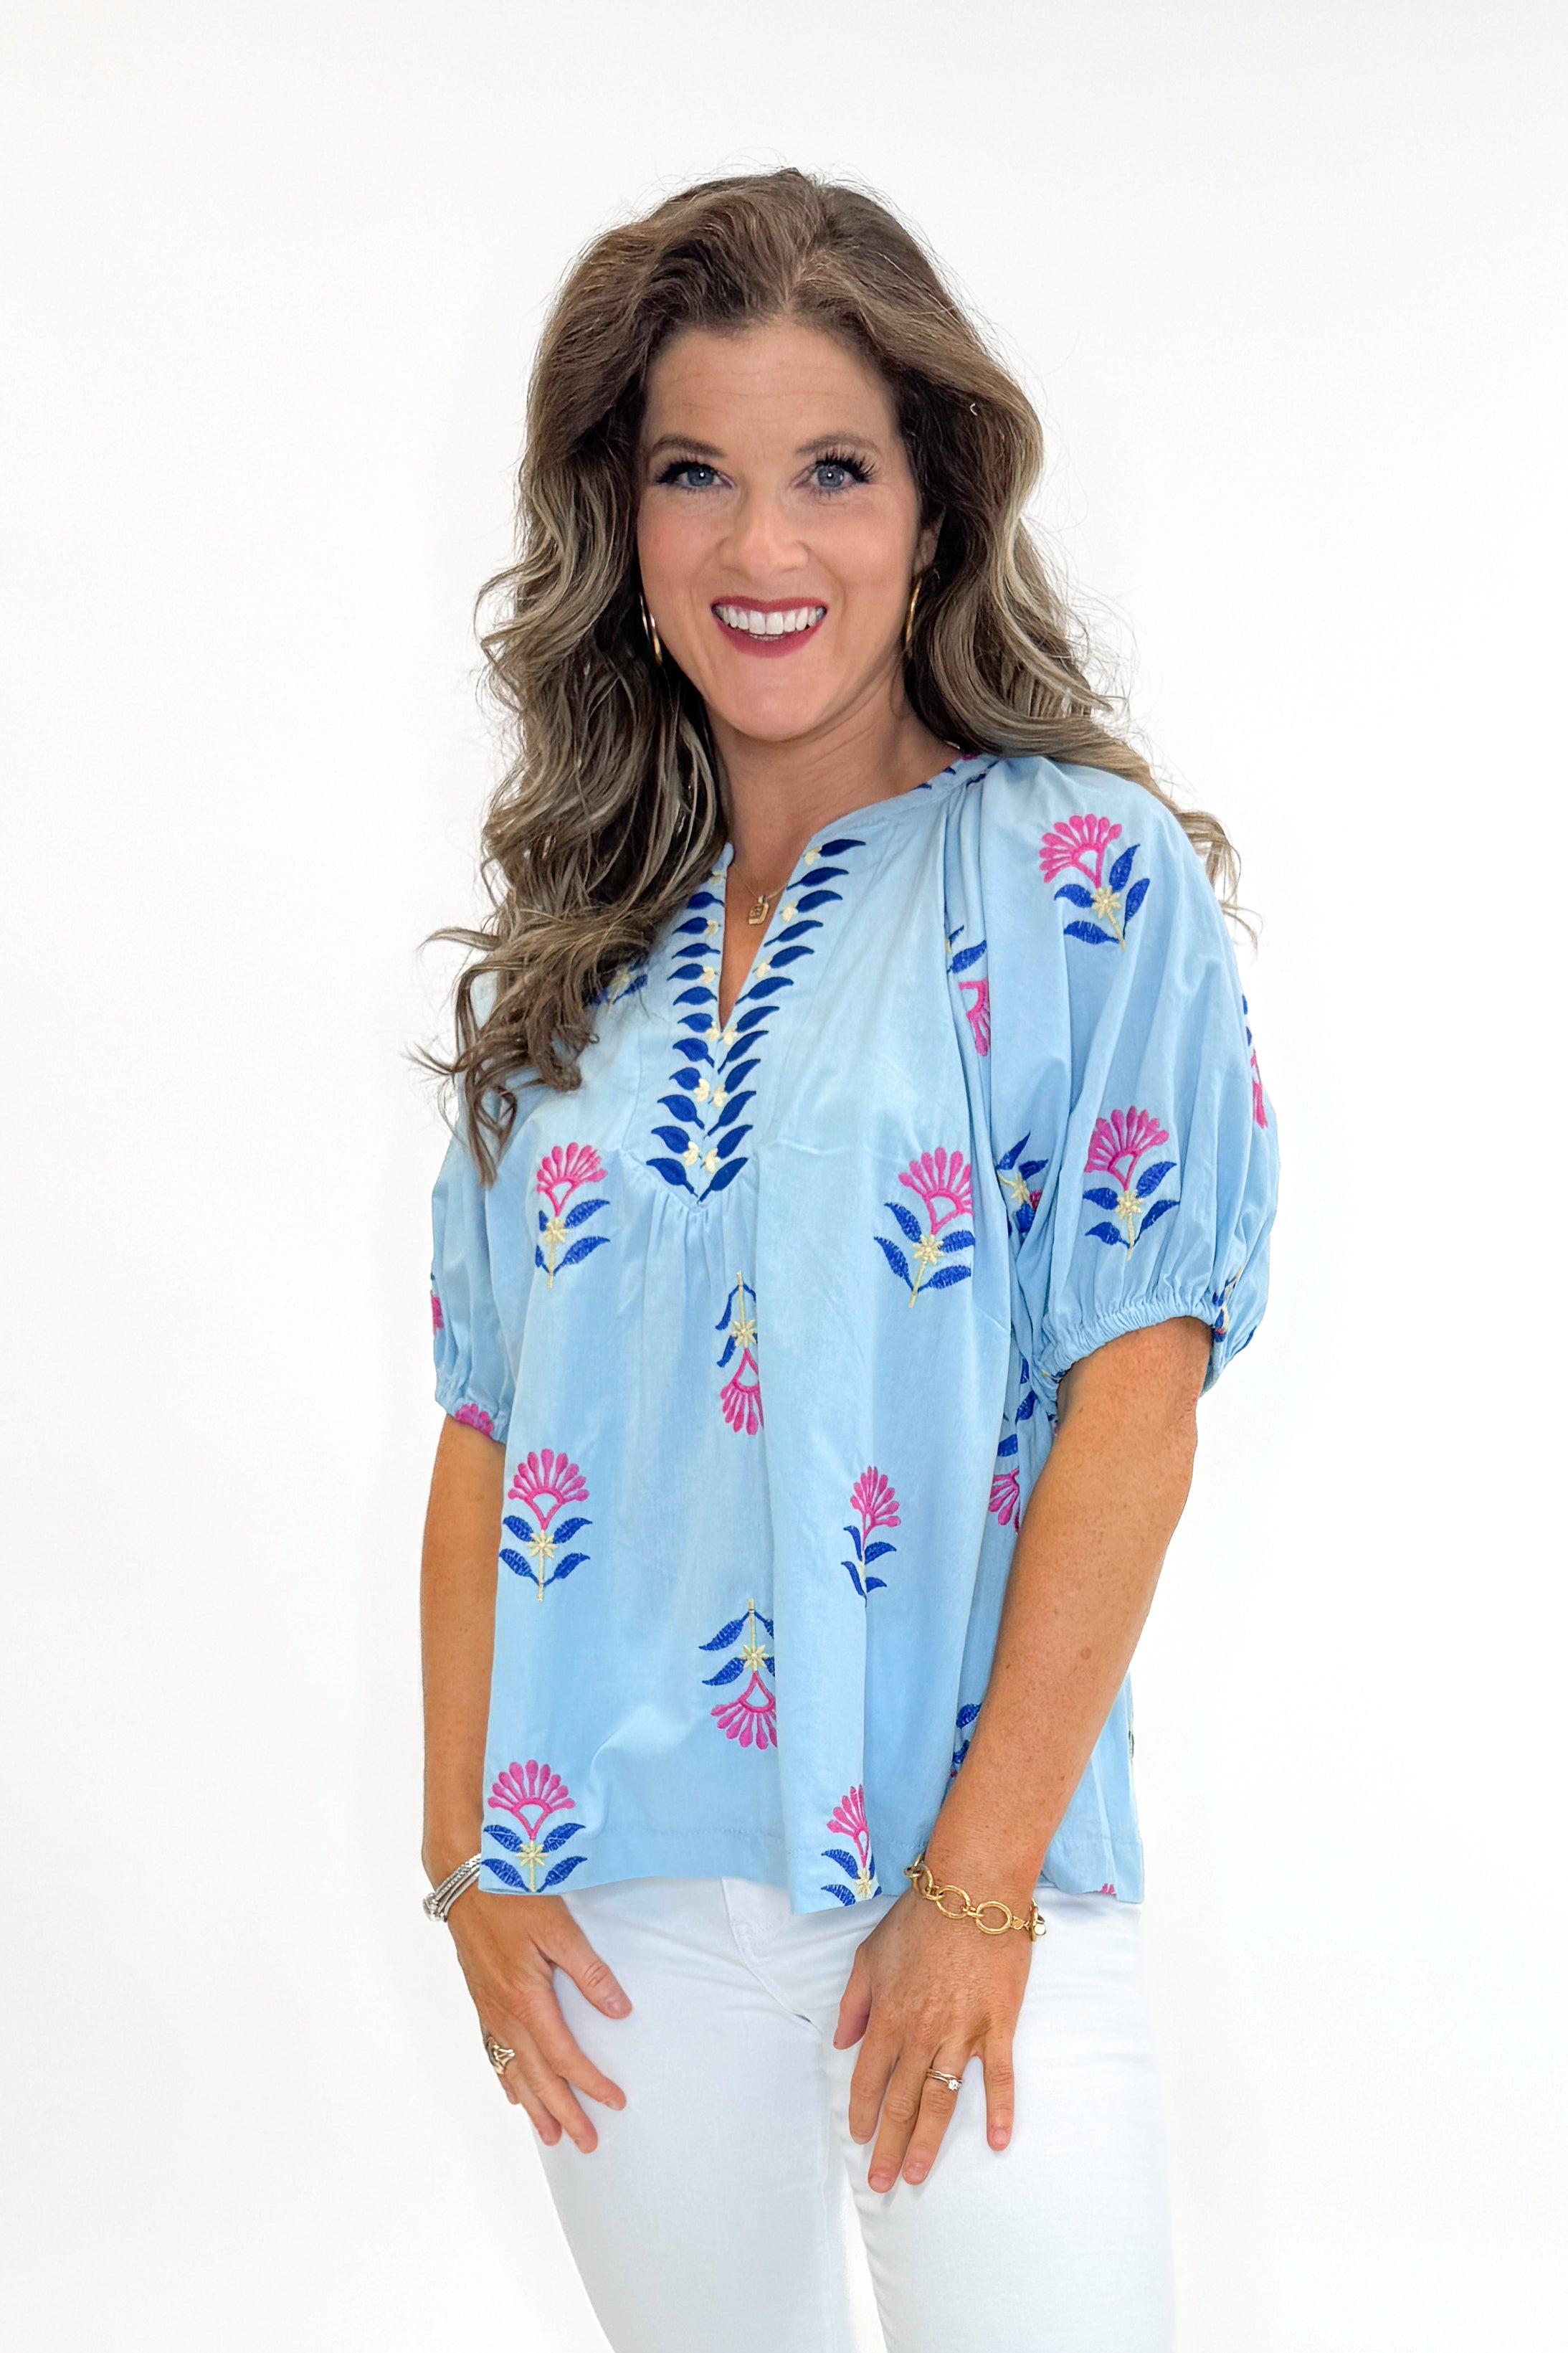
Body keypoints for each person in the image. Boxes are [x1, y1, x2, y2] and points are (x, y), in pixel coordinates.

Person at [420, 169, 1276, 2353]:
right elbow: (487, 1421)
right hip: (613, 1900)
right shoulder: (571, 968)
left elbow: (1138, 1390)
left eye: (830, 471)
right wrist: (466, 1858)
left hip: (971, 1872)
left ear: (932, 508)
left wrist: (973, 1887)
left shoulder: (1082, 877)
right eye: (691, 473)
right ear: (619, 524)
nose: (761, 546)